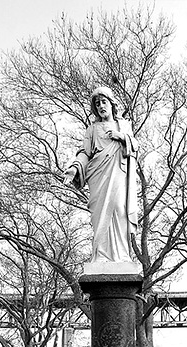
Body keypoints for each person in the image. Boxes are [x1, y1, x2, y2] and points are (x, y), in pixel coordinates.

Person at [63, 86, 138, 263]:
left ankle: (121, 256)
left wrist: (120, 136)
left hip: (118, 173)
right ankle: (101, 256)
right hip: (98, 176)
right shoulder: (92, 129)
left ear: (112, 104)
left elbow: (135, 145)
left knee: (120, 209)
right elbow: (85, 153)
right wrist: (74, 168)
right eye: (97, 104)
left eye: (104, 102)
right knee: (100, 216)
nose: (101, 106)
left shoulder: (124, 125)